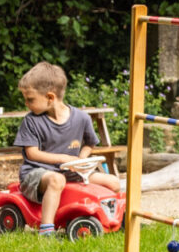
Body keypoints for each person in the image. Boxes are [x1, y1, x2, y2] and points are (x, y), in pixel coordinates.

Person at [14, 62, 126, 236]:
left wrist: (80, 159)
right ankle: (46, 229)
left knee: (113, 182)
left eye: (30, 99)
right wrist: (65, 159)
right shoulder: (31, 121)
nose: (26, 104)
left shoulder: (81, 118)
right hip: (37, 174)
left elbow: (90, 143)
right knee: (57, 180)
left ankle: (116, 219)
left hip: (73, 172)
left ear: (50, 98)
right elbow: (32, 153)